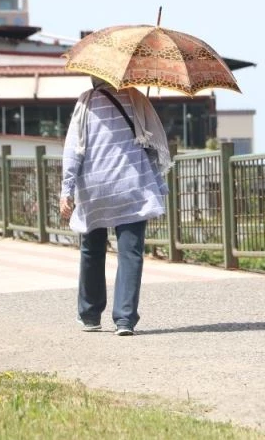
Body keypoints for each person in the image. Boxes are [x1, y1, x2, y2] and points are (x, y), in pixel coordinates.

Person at [60, 77, 171, 336]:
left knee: (91, 250)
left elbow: (73, 150)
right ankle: (125, 319)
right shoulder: (136, 97)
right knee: (130, 252)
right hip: (131, 184)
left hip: (95, 185)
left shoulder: (85, 101)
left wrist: (66, 190)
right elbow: (153, 144)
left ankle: (89, 314)